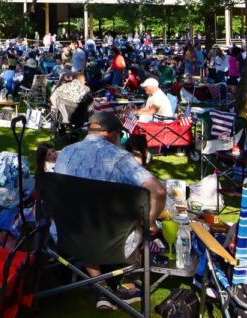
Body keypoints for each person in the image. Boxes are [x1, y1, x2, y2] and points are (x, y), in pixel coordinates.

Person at [53, 111, 167, 308]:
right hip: (112, 238)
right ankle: (127, 282)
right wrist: (150, 221)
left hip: (69, 232)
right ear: (113, 134)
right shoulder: (121, 158)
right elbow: (158, 191)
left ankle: (100, 285)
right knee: (141, 223)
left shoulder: (64, 153)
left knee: (85, 217)